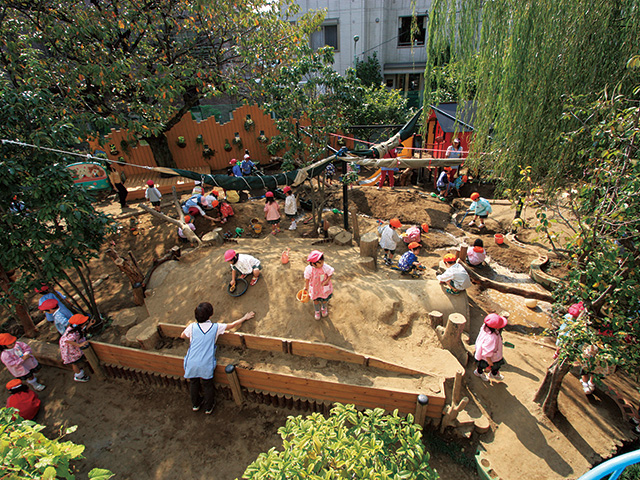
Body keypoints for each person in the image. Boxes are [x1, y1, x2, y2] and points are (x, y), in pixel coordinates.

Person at [181, 302, 254, 414]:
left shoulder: (192, 327)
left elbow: (182, 335)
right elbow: (232, 325)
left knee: (194, 383)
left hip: (191, 361)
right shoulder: (215, 327)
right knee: (207, 384)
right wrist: (245, 317)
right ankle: (209, 407)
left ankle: (195, 404)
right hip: (206, 363)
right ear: (210, 315)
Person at [474, 313, 507, 382]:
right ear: (497, 327)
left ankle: (479, 372)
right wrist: (489, 362)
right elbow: (487, 352)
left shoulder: (484, 327)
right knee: (495, 366)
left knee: (480, 365)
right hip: (491, 358)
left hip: (480, 353)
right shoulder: (492, 338)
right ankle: (492, 373)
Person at [59, 314, 92, 382]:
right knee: (74, 362)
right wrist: (79, 345)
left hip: (72, 345)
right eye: (85, 324)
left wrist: (89, 325)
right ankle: (79, 375)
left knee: (76, 359)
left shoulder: (74, 327)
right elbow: (67, 340)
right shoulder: (73, 335)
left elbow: (81, 330)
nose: (85, 324)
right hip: (69, 348)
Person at [303, 250, 334, 320]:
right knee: (315, 300)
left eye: (322, 261)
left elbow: (330, 274)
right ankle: (317, 311)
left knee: (324, 299)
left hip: (323, 287)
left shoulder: (325, 267)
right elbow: (307, 279)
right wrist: (306, 287)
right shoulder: (309, 269)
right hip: (315, 288)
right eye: (320, 263)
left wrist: (327, 281)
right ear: (313, 264)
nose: (322, 264)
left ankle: (324, 308)